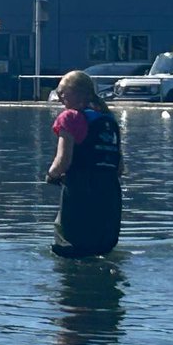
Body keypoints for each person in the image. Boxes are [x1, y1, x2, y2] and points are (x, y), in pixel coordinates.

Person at [46, 70, 123, 257]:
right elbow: (120, 168)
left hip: (81, 191)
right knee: (101, 250)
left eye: (63, 91)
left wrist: (51, 175)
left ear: (78, 94)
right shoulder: (108, 120)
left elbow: (63, 162)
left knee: (71, 249)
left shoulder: (70, 117)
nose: (60, 97)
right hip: (110, 194)